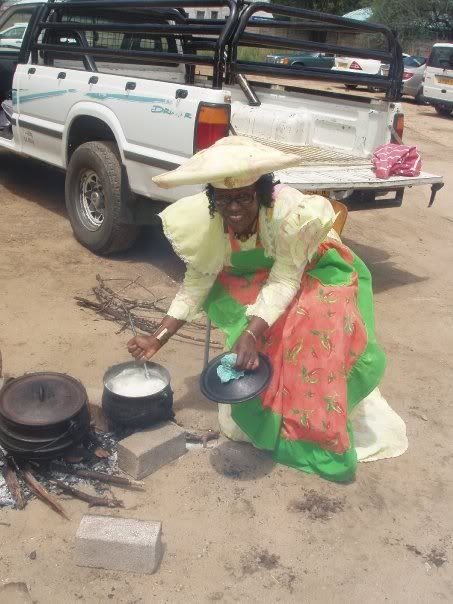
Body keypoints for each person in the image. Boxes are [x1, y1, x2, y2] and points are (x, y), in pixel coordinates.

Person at [128, 136, 407, 482]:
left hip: (316, 268)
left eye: (244, 197)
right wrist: (158, 337)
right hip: (257, 273)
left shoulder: (287, 213)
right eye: (225, 199)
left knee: (312, 324)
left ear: (260, 193)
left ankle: (310, 435)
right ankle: (269, 416)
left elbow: (286, 279)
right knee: (269, 330)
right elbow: (197, 283)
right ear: (213, 200)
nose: (234, 208)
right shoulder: (208, 222)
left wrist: (252, 331)